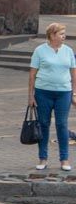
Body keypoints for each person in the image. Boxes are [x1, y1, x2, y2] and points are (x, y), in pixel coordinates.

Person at [28, 23, 76, 171]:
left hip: (64, 93)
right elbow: (32, 75)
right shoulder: (39, 51)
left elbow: (74, 73)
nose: (64, 36)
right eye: (61, 33)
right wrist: (31, 96)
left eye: (64, 33)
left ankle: (64, 160)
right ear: (52, 35)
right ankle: (43, 159)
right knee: (43, 124)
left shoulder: (68, 51)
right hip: (43, 93)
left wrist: (74, 93)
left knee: (62, 124)